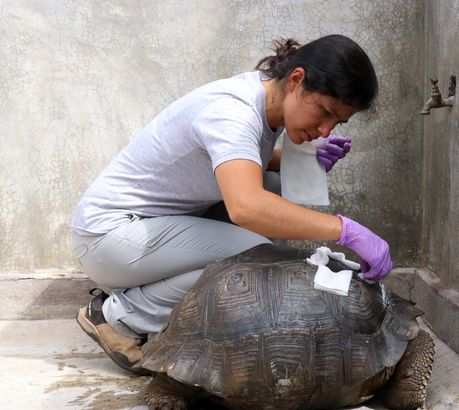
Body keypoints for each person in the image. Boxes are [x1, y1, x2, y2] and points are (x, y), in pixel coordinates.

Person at [70, 35, 393, 374]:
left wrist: (299, 162)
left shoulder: (263, 103)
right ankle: (119, 316)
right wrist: (346, 231)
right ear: (297, 80)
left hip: (150, 230)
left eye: (337, 122)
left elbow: (243, 161)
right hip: (109, 236)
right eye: (325, 112)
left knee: (277, 189)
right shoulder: (232, 111)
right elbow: (247, 206)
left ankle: (149, 303)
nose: (325, 129)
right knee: (257, 253)